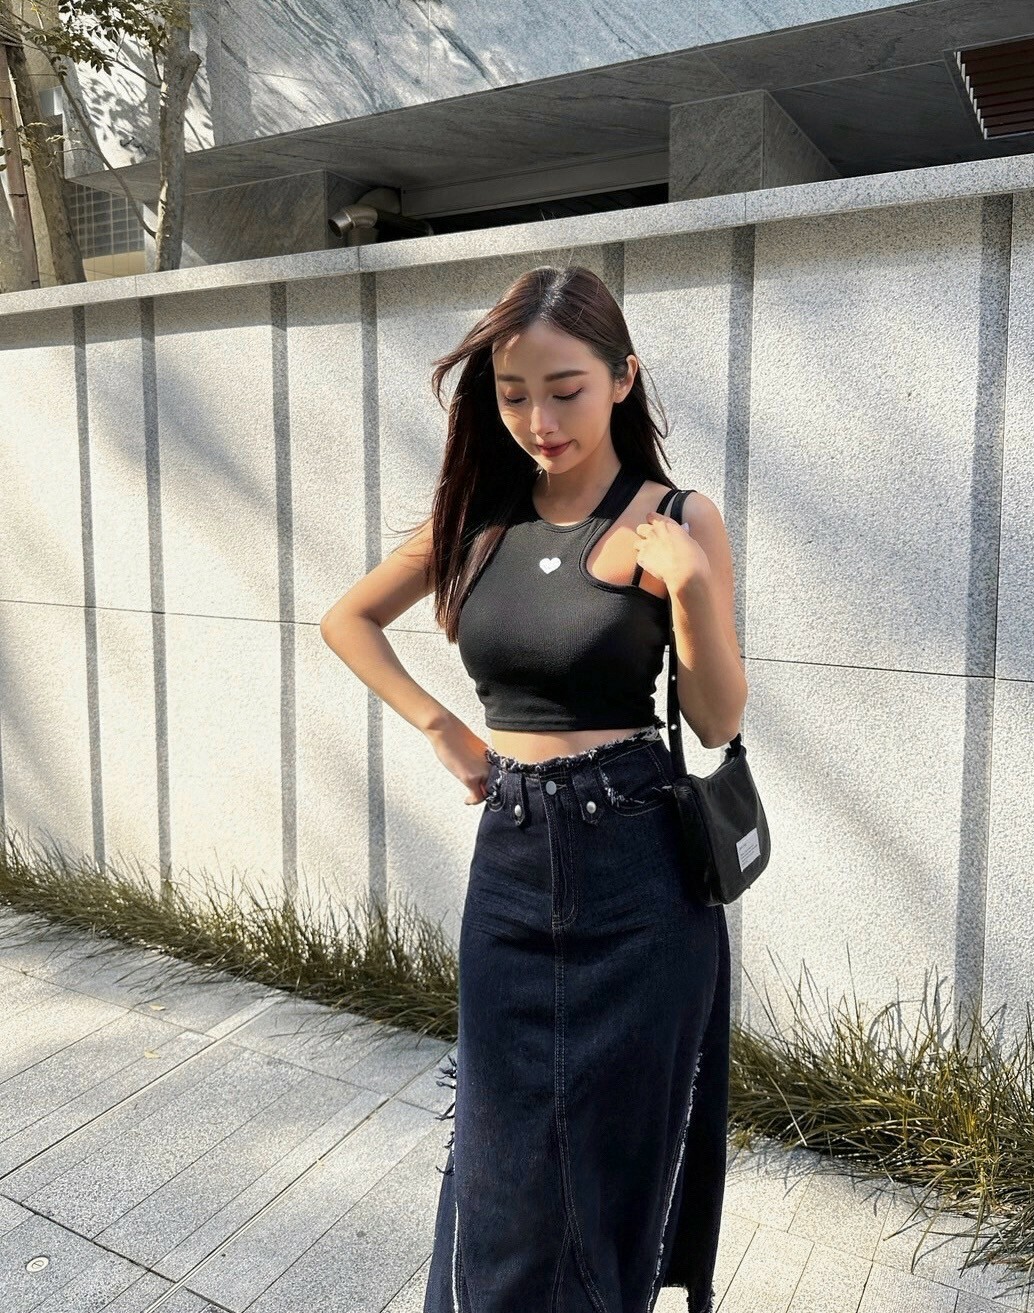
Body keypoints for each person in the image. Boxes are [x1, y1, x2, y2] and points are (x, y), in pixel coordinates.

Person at [320, 265, 748, 1313]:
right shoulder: (480, 516)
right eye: (514, 395)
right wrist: (442, 728)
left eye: (565, 390)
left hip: (641, 868)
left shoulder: (675, 517)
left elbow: (715, 719)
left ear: (621, 378)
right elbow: (347, 619)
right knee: (501, 1153)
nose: (539, 421)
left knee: (615, 1154)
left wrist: (690, 586)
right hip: (511, 862)